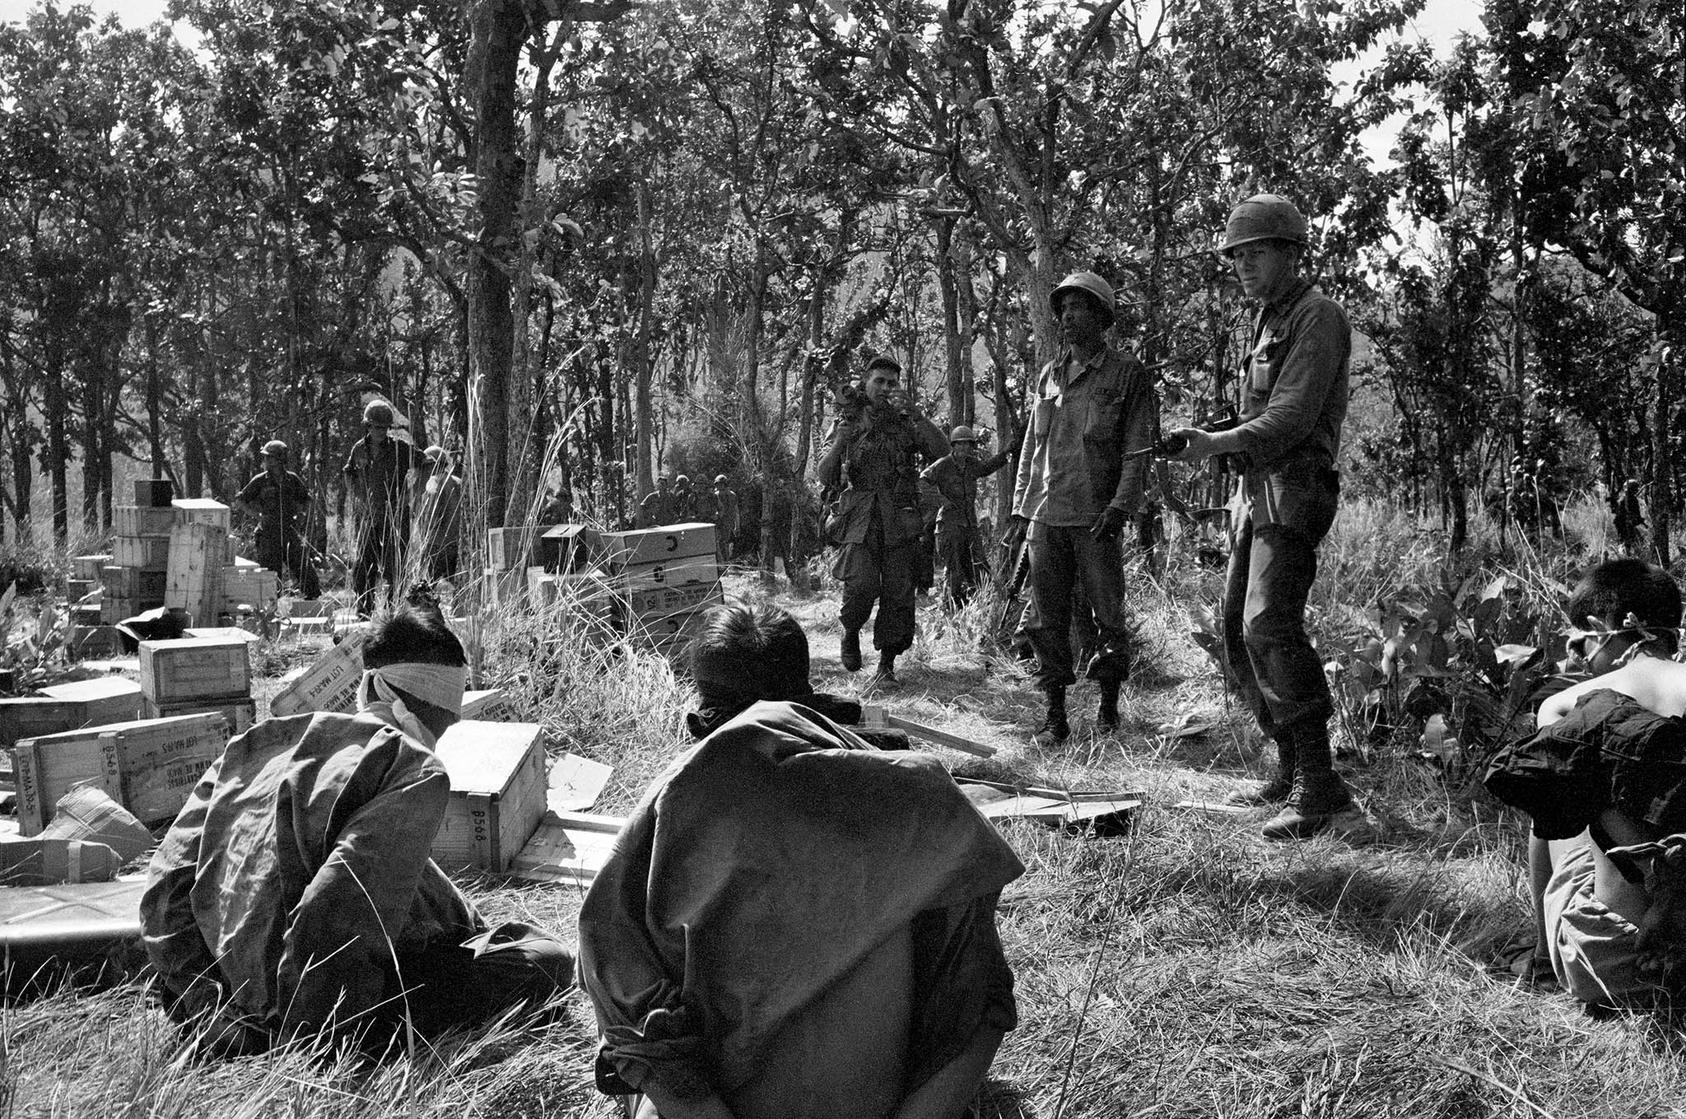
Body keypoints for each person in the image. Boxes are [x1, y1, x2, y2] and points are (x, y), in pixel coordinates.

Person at [578, 603, 1022, 1119]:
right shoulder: (918, 794)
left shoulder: (671, 806)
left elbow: (632, 1020)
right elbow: (982, 1008)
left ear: (701, 711)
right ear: (809, 691)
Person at [141, 596, 574, 1057]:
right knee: (546, 959)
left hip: (222, 996)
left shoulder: (253, 745)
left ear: (369, 688)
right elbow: (334, 910)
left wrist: (206, 1006)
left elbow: (165, 887)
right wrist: (306, 1045)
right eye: (441, 727)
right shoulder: (412, 766)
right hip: (302, 1018)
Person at [1167, 194, 1364, 840]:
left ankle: (1321, 786)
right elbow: (1259, 415)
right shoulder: (1268, 318)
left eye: (1254, 254)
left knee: (1270, 624)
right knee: (1234, 628)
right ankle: (1289, 765)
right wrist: (1220, 436)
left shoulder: (1318, 317)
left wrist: (1215, 443)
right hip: (1259, 492)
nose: (1242, 267)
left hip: (1296, 490)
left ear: (1289, 252)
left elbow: (1292, 418)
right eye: (1237, 258)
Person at [1486, 559, 1686, 1007]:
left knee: (1557, 796)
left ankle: (1540, 957)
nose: (1579, 657)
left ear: (1600, 629)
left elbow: (1547, 827)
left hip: (1610, 961)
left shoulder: (1565, 705)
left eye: (1580, 643)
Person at [1012, 271, 1157, 745]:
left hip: (1097, 516)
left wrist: (1120, 507)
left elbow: (1138, 450)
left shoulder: (1126, 374)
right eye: (1064, 309)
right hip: (1047, 515)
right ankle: (1055, 716)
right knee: (1043, 618)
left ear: (1102, 318)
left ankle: (1109, 707)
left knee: (1107, 617)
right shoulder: (1049, 376)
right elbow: (1034, 449)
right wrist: (1021, 510)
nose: (1069, 317)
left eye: (1080, 308)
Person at [818, 354, 948, 683]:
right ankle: (850, 631)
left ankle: (886, 664)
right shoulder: (848, 418)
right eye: (880, 381)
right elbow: (824, 475)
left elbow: (942, 452)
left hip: (900, 516)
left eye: (892, 383)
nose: (886, 388)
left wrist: (917, 415)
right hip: (860, 515)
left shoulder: (907, 420)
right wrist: (840, 443)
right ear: (865, 382)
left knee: (898, 593)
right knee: (860, 584)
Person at [342, 399, 422, 617]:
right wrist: (357, 497)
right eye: (376, 427)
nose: (380, 431)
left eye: (384, 427)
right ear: (367, 425)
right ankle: (363, 611)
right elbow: (348, 473)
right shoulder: (358, 449)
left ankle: (392, 612)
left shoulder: (401, 449)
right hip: (369, 518)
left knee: (394, 568)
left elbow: (425, 464)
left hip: (395, 516)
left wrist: (410, 494)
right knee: (362, 567)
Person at [923, 425, 1012, 611]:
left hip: (970, 523)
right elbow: (923, 481)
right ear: (953, 445)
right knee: (954, 568)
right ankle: (951, 609)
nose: (963, 448)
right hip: (949, 524)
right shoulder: (943, 465)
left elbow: (988, 467)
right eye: (960, 444)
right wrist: (941, 500)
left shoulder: (972, 464)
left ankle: (981, 607)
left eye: (967, 445)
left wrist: (1008, 452)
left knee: (979, 564)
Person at [234, 439, 320, 599]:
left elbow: (307, 499)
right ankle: (271, 612)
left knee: (305, 571)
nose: (265, 460)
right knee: (271, 579)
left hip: (289, 531)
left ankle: (312, 602)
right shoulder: (260, 480)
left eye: (269, 457)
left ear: (279, 459)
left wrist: (301, 514)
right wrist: (257, 515)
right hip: (267, 534)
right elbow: (240, 500)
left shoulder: (292, 480)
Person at [415, 445, 464, 583]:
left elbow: (432, 518)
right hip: (456, 545)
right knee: (457, 588)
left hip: (435, 546)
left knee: (425, 591)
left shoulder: (432, 482)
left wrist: (425, 546)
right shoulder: (459, 482)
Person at [709, 475, 739, 562]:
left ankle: (725, 562)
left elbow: (736, 511)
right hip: (717, 522)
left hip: (727, 523)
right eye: (718, 484)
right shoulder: (715, 495)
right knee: (720, 543)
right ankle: (722, 561)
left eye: (722, 484)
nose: (720, 486)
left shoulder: (732, 495)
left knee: (724, 543)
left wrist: (737, 525)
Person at [1614, 479, 1646, 553]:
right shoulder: (1624, 500)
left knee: (1637, 541)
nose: (1636, 490)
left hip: (1627, 525)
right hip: (1625, 525)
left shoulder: (1628, 499)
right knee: (1629, 543)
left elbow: (1636, 514)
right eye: (1635, 489)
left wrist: (1639, 520)